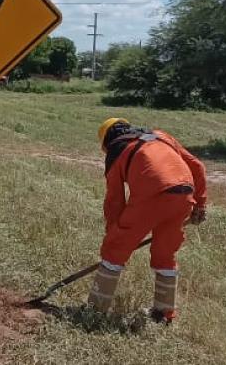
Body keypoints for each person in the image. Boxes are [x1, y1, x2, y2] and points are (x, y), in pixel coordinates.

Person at [87, 118, 208, 323]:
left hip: (153, 195)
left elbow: (114, 202)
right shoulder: (162, 136)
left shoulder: (118, 151)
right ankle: (163, 314)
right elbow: (197, 166)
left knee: (114, 249)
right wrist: (200, 204)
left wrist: (115, 236)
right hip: (185, 194)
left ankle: (95, 310)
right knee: (165, 253)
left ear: (108, 142)